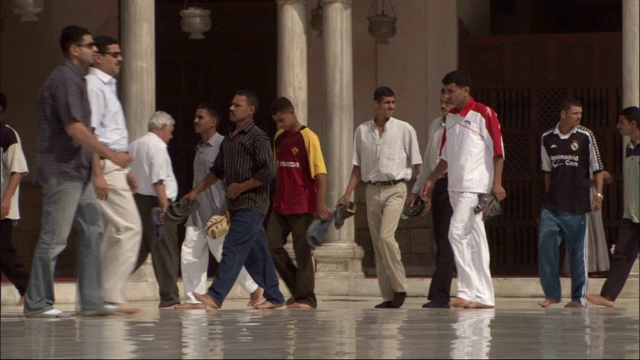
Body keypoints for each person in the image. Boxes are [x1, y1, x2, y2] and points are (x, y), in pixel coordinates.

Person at [24, 25, 132, 318]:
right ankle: (37, 303)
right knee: (54, 237)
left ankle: (92, 301)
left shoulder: (77, 80)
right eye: (89, 46)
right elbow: (76, 129)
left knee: (93, 230)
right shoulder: (65, 80)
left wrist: (95, 168)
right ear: (74, 49)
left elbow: (86, 130)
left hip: (79, 169)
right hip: (63, 169)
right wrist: (110, 155)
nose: (95, 50)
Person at [183, 90, 285, 310]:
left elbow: (268, 172)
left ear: (250, 109)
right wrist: (196, 191)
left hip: (252, 204)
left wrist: (240, 187)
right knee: (256, 255)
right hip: (236, 205)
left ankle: (216, 295)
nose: (231, 108)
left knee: (232, 248)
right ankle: (275, 296)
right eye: (231, 105)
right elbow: (217, 170)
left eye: (237, 105)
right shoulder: (230, 137)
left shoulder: (258, 137)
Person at [420, 70, 506, 309]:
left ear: (465, 90)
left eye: (451, 90)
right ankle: (484, 296)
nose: (446, 95)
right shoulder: (451, 119)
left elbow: (498, 151)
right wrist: (432, 179)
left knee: (455, 233)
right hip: (453, 187)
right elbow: (445, 156)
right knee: (476, 240)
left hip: (474, 187)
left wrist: (496, 183)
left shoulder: (484, 114)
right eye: (444, 90)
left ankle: (467, 291)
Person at [337, 86, 422, 309]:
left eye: (393, 102)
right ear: (376, 104)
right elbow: (357, 166)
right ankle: (388, 296)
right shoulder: (362, 131)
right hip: (372, 190)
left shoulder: (405, 129)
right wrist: (347, 193)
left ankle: (400, 287)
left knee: (386, 237)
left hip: (397, 188)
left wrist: (420, 191)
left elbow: (417, 163)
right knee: (377, 244)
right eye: (386, 103)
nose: (391, 107)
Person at [176, 103, 264, 310]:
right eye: (195, 117)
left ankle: (254, 288)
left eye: (200, 117)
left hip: (217, 213)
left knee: (224, 253)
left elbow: (234, 177)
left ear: (213, 121)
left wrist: (230, 208)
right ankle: (194, 299)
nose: (195, 121)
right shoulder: (199, 148)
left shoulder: (226, 146)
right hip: (197, 211)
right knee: (190, 251)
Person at [86, 35, 142, 314]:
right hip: (105, 166)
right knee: (130, 227)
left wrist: (126, 169)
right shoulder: (94, 86)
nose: (120, 58)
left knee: (112, 233)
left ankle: (99, 296)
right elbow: (91, 133)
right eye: (115, 54)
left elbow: (112, 132)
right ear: (99, 57)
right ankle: (110, 295)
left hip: (115, 166)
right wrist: (98, 172)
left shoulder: (108, 86)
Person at [537, 98, 604, 308]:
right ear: (563, 114)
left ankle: (578, 297)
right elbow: (547, 171)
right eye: (575, 113)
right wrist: (549, 195)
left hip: (576, 205)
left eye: (580, 114)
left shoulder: (585, 136)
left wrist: (599, 195)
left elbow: (598, 168)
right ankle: (552, 294)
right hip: (552, 205)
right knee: (546, 247)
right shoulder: (547, 138)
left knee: (577, 253)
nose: (579, 117)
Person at [267, 96, 331, 309]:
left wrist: (321, 204)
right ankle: (298, 289)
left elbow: (320, 173)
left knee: (303, 251)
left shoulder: (308, 137)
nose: (279, 124)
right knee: (271, 245)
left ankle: (307, 298)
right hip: (281, 203)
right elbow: (278, 169)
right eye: (276, 121)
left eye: (282, 119)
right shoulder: (278, 137)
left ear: (292, 112)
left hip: (303, 203)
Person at [586, 106, 640, 307]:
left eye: (622, 122)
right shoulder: (629, 147)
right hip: (632, 213)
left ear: (633, 124)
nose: (618, 126)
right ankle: (608, 296)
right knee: (622, 255)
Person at [407, 89, 455, 309]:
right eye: (441, 101)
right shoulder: (436, 125)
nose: (444, 105)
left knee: (447, 241)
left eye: (448, 101)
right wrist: (417, 189)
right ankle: (439, 294)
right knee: (439, 239)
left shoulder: (463, 124)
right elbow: (428, 161)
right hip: (438, 184)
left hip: (457, 185)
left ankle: (440, 295)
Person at [129, 111, 181, 309]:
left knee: (140, 249)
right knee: (166, 250)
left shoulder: (135, 144)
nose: (171, 136)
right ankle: (169, 299)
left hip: (139, 200)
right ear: (163, 128)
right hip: (157, 202)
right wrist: (165, 206)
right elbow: (158, 179)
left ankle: (107, 285)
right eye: (170, 131)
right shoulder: (157, 146)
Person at [0, 91, 31, 307]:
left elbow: (17, 170)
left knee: (4, 252)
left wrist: (6, 199)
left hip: (2, 205)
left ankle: (29, 288)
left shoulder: (7, 135)